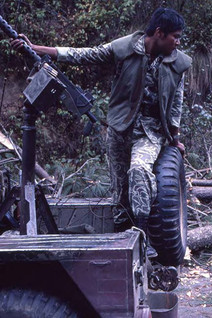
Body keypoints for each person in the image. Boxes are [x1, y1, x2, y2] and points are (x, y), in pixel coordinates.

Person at [10, 7, 191, 258]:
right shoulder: (126, 48)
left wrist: (175, 138)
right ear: (159, 33)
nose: (178, 42)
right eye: (175, 36)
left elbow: (176, 103)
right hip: (119, 128)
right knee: (120, 194)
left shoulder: (178, 63)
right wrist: (37, 49)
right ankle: (121, 239)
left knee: (139, 172)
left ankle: (142, 237)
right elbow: (84, 55)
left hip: (150, 132)